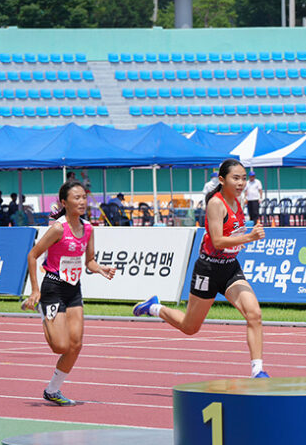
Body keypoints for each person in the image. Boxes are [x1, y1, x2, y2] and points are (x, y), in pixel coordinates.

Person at [132, 158, 271, 379]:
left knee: (254, 314)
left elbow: (231, 235)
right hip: (208, 270)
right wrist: (249, 237)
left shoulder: (239, 201)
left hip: (230, 270)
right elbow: (217, 241)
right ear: (222, 179)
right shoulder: (216, 203)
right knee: (189, 327)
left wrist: (242, 238)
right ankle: (154, 308)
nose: (241, 183)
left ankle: (257, 371)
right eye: (236, 178)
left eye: (244, 178)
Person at [22, 180, 117, 406]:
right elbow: (32, 256)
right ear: (64, 202)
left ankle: (52, 390)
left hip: (73, 288)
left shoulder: (88, 228)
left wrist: (101, 269)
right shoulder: (57, 228)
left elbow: (89, 261)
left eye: (84, 197)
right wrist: (35, 290)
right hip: (53, 287)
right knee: (60, 346)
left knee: (76, 345)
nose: (82, 201)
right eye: (76, 198)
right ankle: (43, 311)